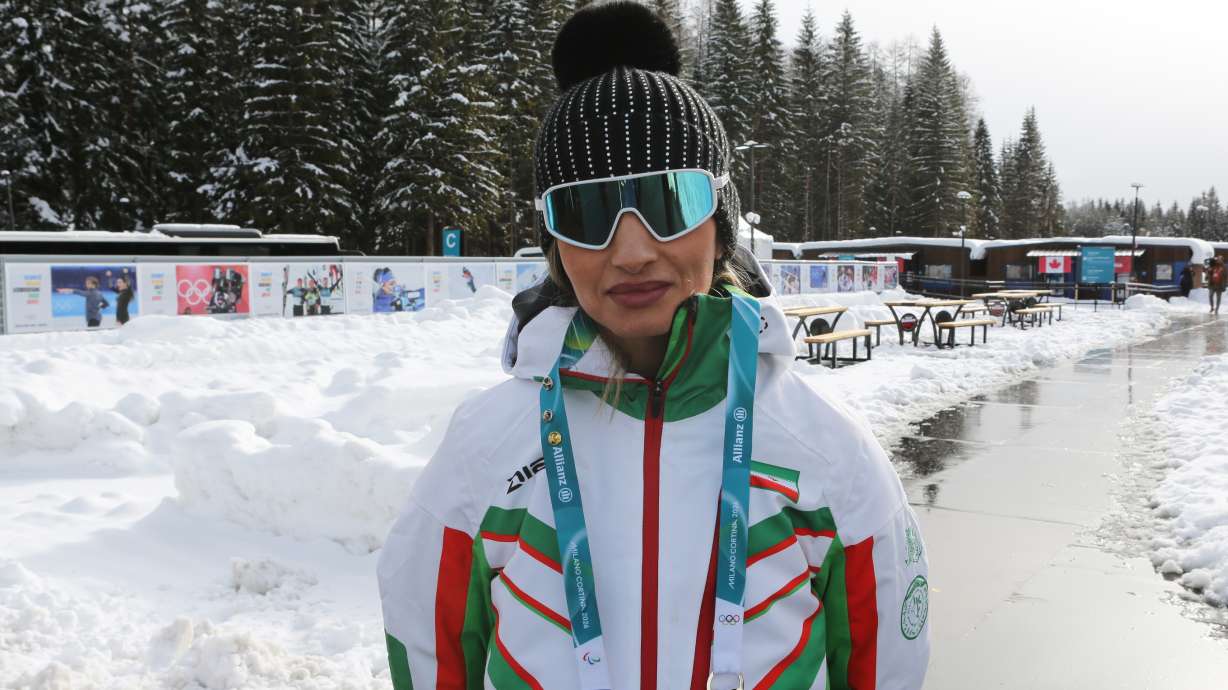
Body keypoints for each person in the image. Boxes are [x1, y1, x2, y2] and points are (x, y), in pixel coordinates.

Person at [377, 4, 929, 689]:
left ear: (720, 226)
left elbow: (885, 666)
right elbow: (429, 646)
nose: (631, 251)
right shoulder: (486, 446)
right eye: (586, 211)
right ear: (554, 243)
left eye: (667, 200)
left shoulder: (824, 449)